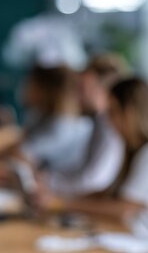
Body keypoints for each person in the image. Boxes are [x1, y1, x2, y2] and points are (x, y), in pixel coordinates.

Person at [39, 77, 148, 228]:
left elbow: (123, 208)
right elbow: (110, 194)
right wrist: (58, 199)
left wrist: (61, 204)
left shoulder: (145, 154)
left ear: (129, 113)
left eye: (113, 111)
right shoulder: (131, 151)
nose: (109, 119)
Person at [47, 54, 128, 196]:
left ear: (103, 90)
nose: (76, 96)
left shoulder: (110, 127)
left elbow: (93, 180)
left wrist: (48, 182)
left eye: (83, 89)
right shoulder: (98, 123)